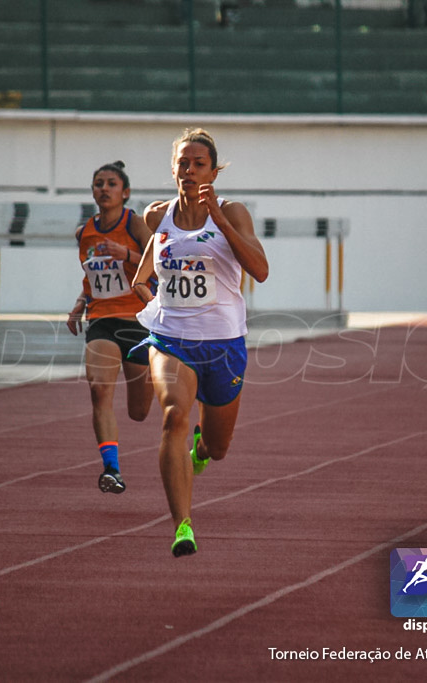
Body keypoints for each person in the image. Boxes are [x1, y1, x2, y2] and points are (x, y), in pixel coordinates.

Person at [130, 128, 269, 556]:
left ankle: (201, 450)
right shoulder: (157, 216)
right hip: (172, 338)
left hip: (224, 343)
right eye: (182, 164)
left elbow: (260, 271)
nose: (189, 171)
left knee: (218, 447)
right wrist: (157, 305)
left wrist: (221, 222)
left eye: (198, 164)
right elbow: (142, 275)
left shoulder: (233, 212)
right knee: (173, 415)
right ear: (173, 168)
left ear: (213, 170)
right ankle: (182, 526)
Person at [66, 161, 155, 494]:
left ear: (125, 192)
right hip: (102, 321)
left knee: (139, 412)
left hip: (137, 323)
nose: (104, 189)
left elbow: (159, 261)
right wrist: (80, 303)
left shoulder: (135, 224)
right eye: (98, 183)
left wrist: (127, 254)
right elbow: (93, 275)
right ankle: (111, 469)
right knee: (99, 391)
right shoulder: (84, 233)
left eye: (111, 184)